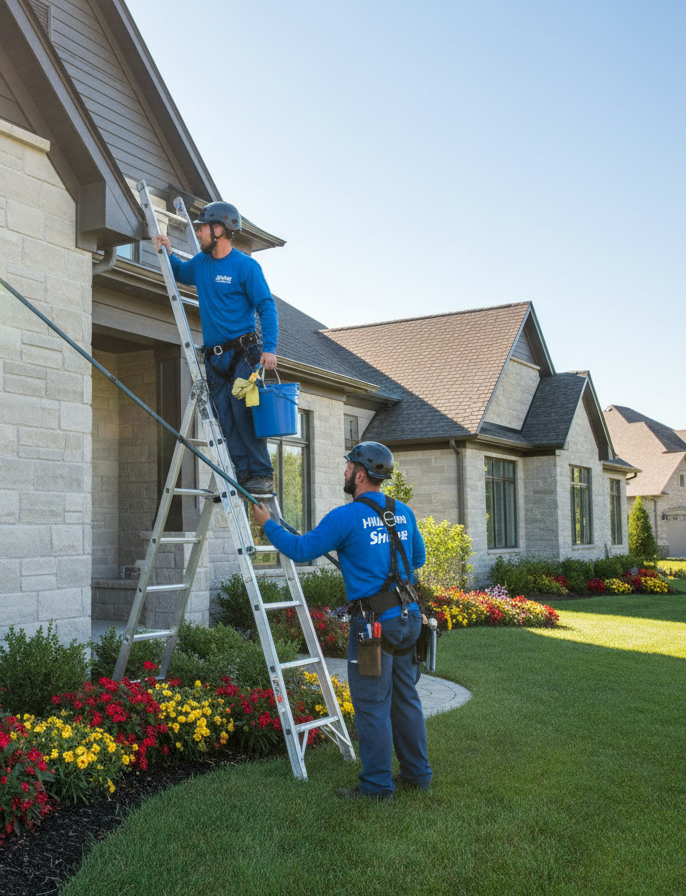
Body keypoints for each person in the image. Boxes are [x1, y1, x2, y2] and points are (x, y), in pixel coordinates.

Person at [251, 441, 433, 800]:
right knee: (406, 699)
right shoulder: (403, 512)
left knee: (371, 705)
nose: (345, 472)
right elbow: (418, 558)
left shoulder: (345, 518)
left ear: (361, 474)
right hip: (409, 619)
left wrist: (268, 525)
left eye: (348, 467)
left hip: (374, 627)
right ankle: (418, 775)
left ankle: (378, 787)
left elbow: (301, 550)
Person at [151, 202, 277, 496]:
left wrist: (269, 349)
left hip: (244, 354)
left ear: (219, 229)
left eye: (202, 227)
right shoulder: (202, 264)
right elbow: (181, 273)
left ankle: (261, 473)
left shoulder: (245, 266)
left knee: (245, 415)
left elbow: (266, 307)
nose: (198, 233)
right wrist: (168, 252)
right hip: (214, 358)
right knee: (226, 419)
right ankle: (243, 474)